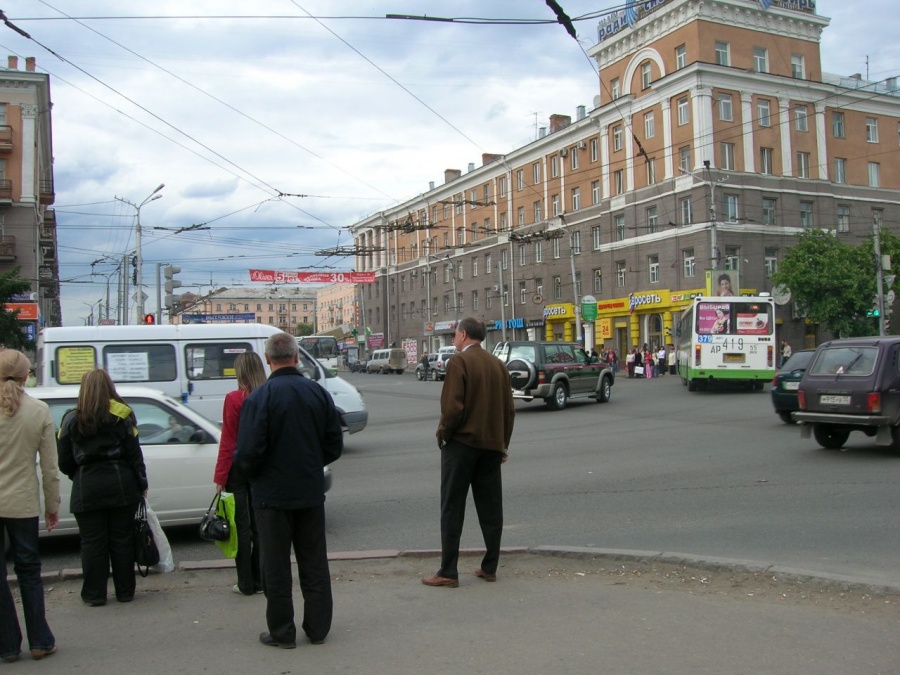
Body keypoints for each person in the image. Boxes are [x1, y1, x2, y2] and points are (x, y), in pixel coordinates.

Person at [235, 332, 343, 649]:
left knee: (276, 566)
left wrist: (257, 474)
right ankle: (318, 628)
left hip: (271, 497)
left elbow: (247, 453)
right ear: (296, 357)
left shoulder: (259, 398)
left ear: (268, 360)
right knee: (314, 562)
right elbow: (334, 444)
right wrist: (309, 462)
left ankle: (282, 632)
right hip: (309, 491)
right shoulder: (318, 394)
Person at [423, 317, 515, 588]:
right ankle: (490, 567)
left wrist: (443, 435)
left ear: (463, 335)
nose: (453, 339)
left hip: (462, 446)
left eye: (454, 335)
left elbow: (452, 409)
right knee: (491, 508)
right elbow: (509, 411)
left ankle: (448, 572)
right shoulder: (498, 365)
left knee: (452, 507)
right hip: (491, 447)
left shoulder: (458, 362)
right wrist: (503, 445)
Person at [57, 369, 148, 607]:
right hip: (121, 486)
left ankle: (94, 595)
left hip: (86, 488)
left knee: (92, 543)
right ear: (109, 387)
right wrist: (142, 485)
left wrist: (78, 476)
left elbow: (64, 461)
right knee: (122, 540)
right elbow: (134, 456)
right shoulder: (123, 414)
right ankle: (125, 592)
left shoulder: (70, 419)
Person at [0, 350, 59, 663]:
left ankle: (7, 645)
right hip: (22, 502)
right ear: (27, 376)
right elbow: (50, 468)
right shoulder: (38, 410)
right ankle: (39, 640)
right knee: (29, 573)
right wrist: (52, 506)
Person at [213, 351, 267, 596]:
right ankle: (261, 580)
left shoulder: (234, 398)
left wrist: (220, 476)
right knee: (261, 528)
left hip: (237, 470)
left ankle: (245, 583)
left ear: (241, 372)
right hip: (263, 469)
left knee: (241, 527)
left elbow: (229, 440)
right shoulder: (267, 395)